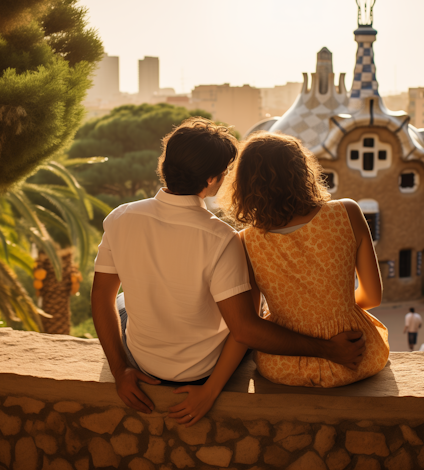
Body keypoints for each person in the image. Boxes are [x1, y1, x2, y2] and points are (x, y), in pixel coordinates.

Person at [91, 119, 366, 424]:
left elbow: (100, 297)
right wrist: (327, 348)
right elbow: (245, 330)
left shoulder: (120, 218)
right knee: (248, 308)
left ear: (164, 164)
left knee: (121, 302)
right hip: (202, 372)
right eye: (224, 174)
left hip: (145, 366)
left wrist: (120, 371)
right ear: (212, 180)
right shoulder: (221, 239)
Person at [220, 132, 388, 387]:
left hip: (285, 365)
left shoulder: (246, 241)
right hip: (356, 354)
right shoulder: (347, 212)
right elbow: (373, 297)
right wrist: (334, 308)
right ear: (303, 172)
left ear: (244, 185)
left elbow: (251, 323)